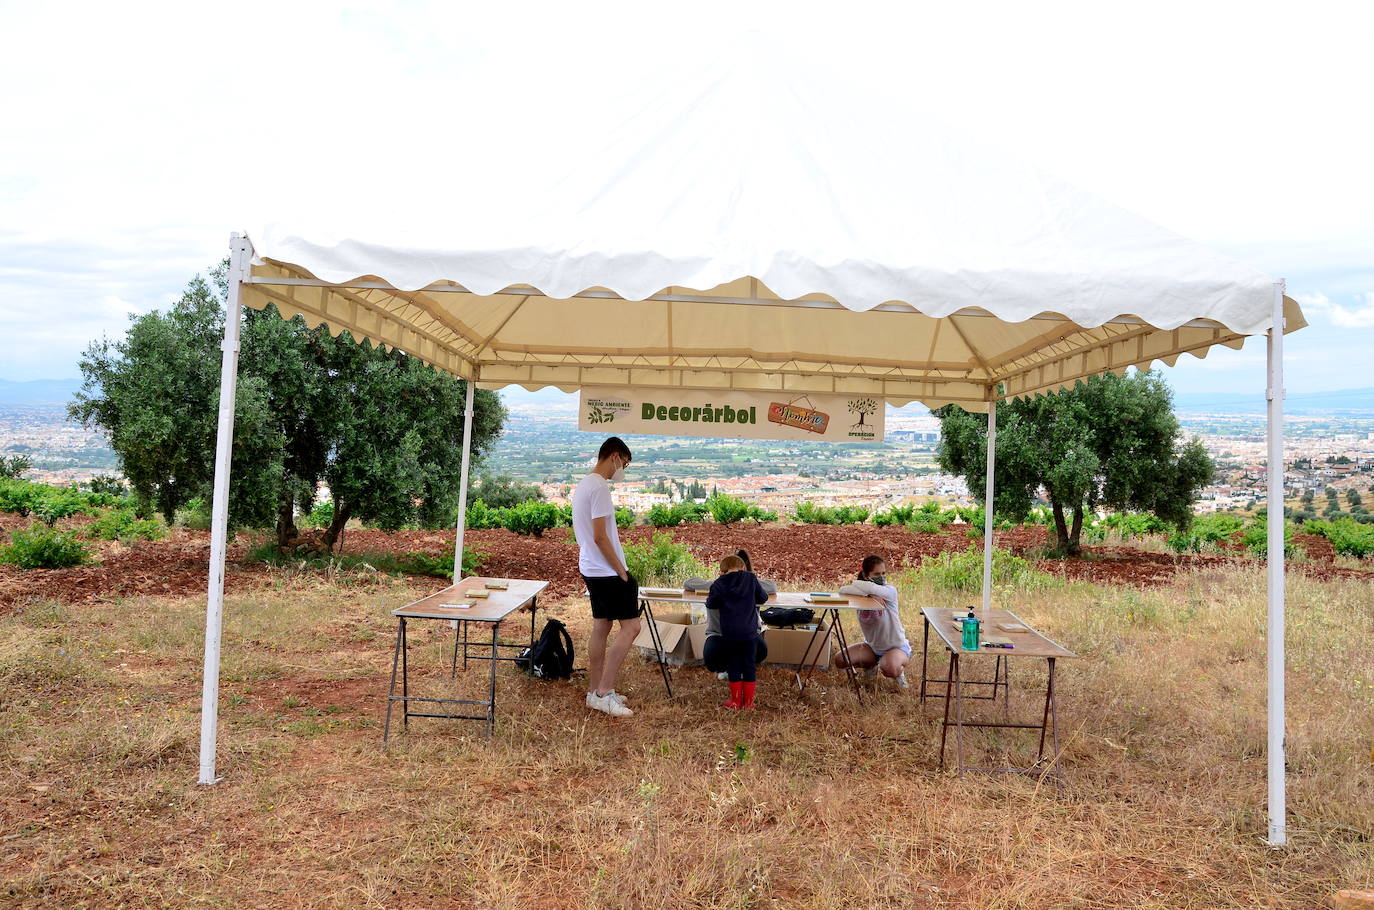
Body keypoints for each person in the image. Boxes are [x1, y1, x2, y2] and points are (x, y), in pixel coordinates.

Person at [574, 437, 639, 717]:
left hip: (591, 567)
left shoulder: (584, 483)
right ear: (614, 456)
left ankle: (595, 691)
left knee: (602, 627)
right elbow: (601, 536)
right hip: (607, 571)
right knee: (632, 628)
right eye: (623, 463)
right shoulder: (599, 487)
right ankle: (604, 692)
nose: (620, 470)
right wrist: (621, 571)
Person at [703, 553, 770, 710]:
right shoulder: (751, 579)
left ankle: (734, 701)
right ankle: (748, 703)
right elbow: (763, 598)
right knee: (749, 666)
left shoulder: (718, 583)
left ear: (722, 570)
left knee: (733, 666)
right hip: (750, 633)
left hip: (730, 634)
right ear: (742, 567)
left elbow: (711, 604)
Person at [836, 555, 910, 688]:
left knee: (890, 668)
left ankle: (899, 673)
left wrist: (866, 589)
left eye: (883, 573)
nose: (881, 577)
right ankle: (871, 666)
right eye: (876, 574)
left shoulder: (889, 591)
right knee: (840, 660)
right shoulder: (862, 593)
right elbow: (842, 590)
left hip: (895, 646)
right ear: (866, 575)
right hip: (872, 647)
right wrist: (868, 594)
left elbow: (871, 588)